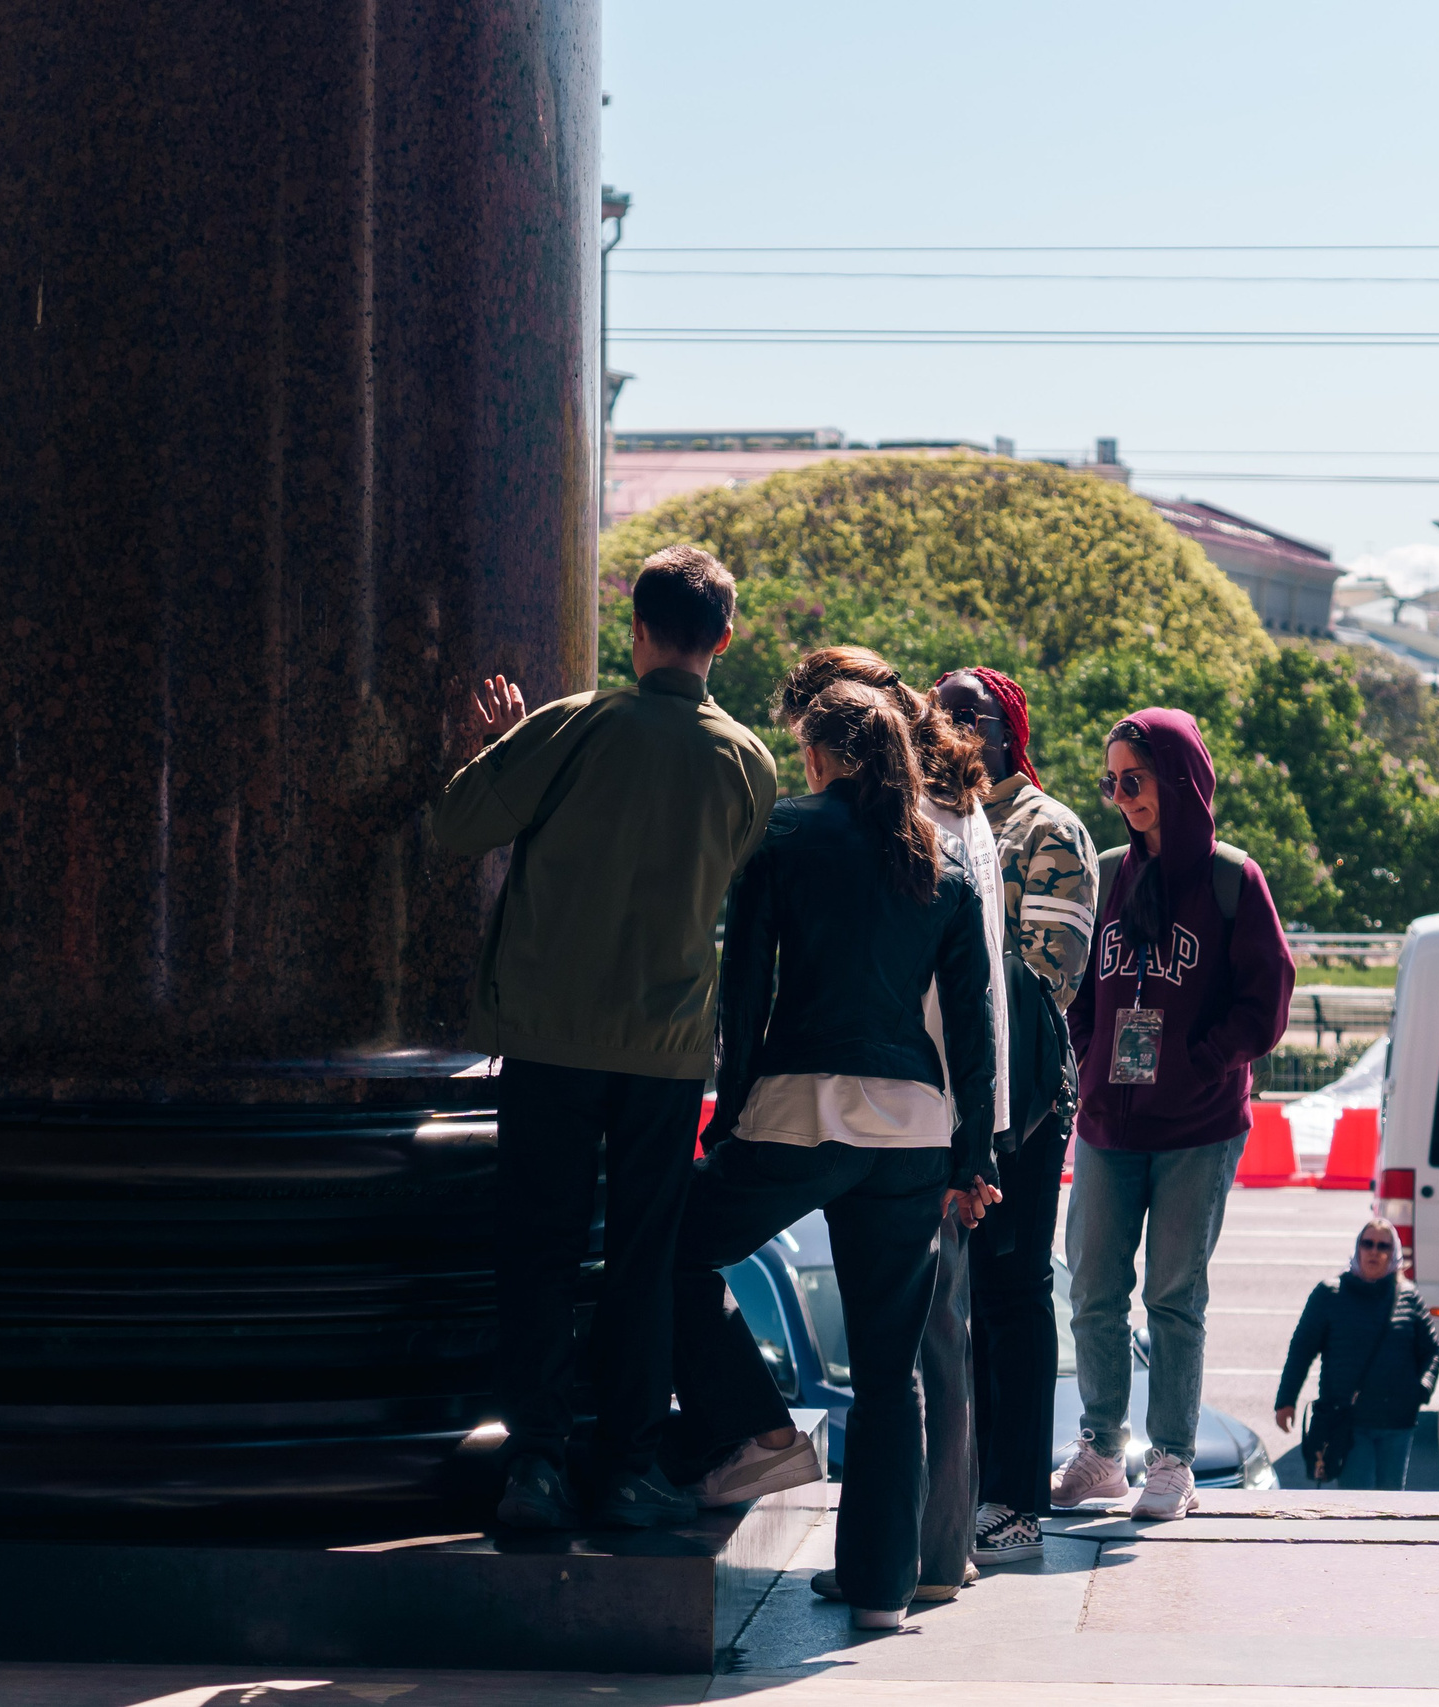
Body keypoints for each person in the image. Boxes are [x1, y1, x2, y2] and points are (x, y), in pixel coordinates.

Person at [431, 545, 778, 1531]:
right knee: (641, 1260)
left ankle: (535, 1468)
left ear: (636, 629)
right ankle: (628, 1468)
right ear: (722, 639)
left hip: (550, 1039)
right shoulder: (747, 761)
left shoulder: (577, 725)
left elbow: (457, 824)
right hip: (666, 1052)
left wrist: (500, 747)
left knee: (537, 1253)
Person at [668, 680, 1000, 1631]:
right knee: (891, 1370)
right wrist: (972, 1155)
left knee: (667, 1248)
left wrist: (728, 1115)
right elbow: (972, 1024)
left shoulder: (781, 835)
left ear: (816, 755)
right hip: (911, 1134)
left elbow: (744, 990)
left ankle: (754, 1430)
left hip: (796, 1113)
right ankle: (881, 1591)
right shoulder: (938, 859)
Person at [773, 648, 1010, 1604]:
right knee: (932, 1340)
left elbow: (945, 988)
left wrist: (962, 1143)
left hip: (911, 1106)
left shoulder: (910, 816)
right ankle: (932, 1557)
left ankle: (906, 1559)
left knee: (909, 1346)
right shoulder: (958, 801)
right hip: (943, 1105)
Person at [1054, 710, 1296, 1522]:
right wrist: (1091, 1058)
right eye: (1111, 782)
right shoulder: (1107, 872)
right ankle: (1101, 1450)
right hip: (1109, 1122)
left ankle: (1172, 1460)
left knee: (1172, 1293)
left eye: (1135, 779)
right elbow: (1077, 989)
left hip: (1198, 1123)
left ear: (1178, 777)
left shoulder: (1233, 880)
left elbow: (1267, 1001)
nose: (1122, 796)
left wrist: (1200, 1060)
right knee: (1093, 1287)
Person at [933, 668, 1096, 1568]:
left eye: (976, 714)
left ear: (1009, 731)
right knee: (955, 1302)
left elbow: (1048, 982)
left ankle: (1018, 1503)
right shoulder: (925, 820)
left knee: (1015, 1290)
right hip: (945, 1096)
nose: (956, 726)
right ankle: (967, 1490)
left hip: (1023, 1098)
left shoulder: (1048, 828)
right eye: (942, 712)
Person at [1272, 1219, 1439, 1489]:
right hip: (1349, 1423)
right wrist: (1286, 1401)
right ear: (1357, 1248)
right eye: (1367, 1244)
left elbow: (1431, 1352)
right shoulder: (1330, 1294)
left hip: (1397, 1423)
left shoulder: (1408, 1297)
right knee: (1357, 1502)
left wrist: (1420, 1390)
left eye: (1383, 1246)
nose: (1374, 1252)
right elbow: (1301, 1350)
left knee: (1391, 1505)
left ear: (1394, 1254)